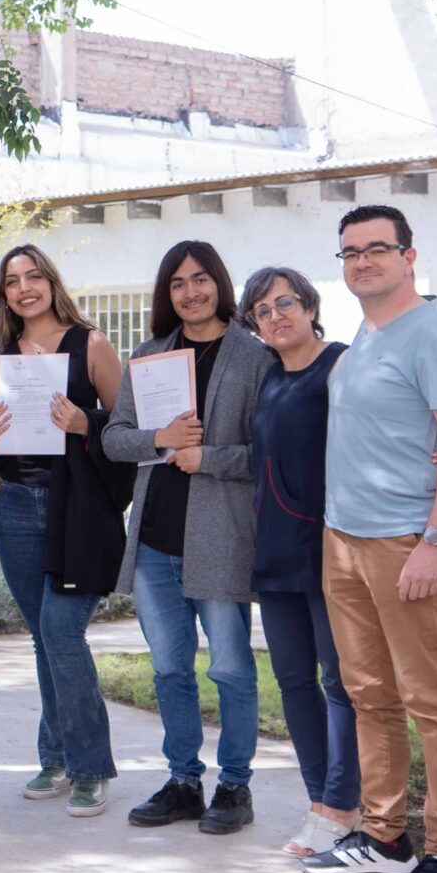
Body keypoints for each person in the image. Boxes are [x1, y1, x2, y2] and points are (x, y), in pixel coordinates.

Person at [300, 204, 437, 873]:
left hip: (408, 541)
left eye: (377, 248)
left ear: (410, 255)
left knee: (430, 699)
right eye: (350, 252)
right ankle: (384, 838)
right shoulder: (368, 332)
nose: (362, 261)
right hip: (343, 538)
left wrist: (434, 543)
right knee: (368, 691)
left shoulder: (433, 336)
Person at [102, 240, 267, 835]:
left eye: (200, 279)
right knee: (170, 669)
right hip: (153, 543)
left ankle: (235, 785)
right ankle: (182, 782)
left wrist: (209, 458)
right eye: (177, 283)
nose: (190, 291)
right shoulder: (150, 357)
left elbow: (266, 453)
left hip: (220, 538)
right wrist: (161, 437)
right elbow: (114, 439)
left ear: (219, 284)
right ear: (166, 294)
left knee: (228, 668)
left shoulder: (253, 357)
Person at [0, 244, 127, 819]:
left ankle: (90, 767)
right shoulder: (0, 358)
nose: (24, 287)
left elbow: (128, 431)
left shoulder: (92, 344)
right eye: (11, 280)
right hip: (13, 505)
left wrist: (85, 422)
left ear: (50, 282)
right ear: (4, 295)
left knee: (62, 634)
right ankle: (56, 757)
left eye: (33, 275)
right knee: (43, 637)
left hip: (77, 508)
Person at [241, 265, 361, 859]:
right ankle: (321, 804)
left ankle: (344, 805)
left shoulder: (340, 364)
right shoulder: (267, 378)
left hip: (328, 552)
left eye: (284, 303)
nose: (276, 316)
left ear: (310, 305)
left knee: (340, 683)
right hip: (275, 552)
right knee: (293, 682)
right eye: (262, 311)